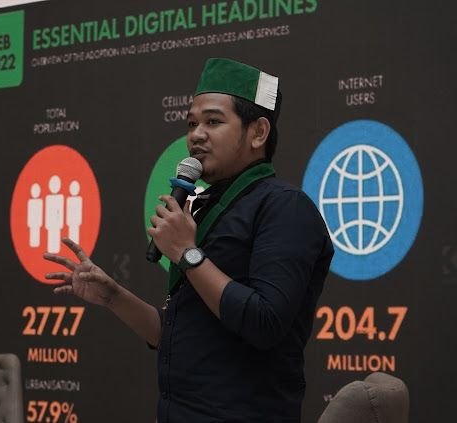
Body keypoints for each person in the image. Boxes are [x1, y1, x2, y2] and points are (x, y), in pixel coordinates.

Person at [43, 58, 334, 423]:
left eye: (213, 122)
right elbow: (178, 335)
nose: (196, 135)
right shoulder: (206, 206)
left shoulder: (285, 208)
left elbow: (265, 322)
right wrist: (113, 297)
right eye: (192, 123)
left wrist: (187, 253)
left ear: (258, 132)